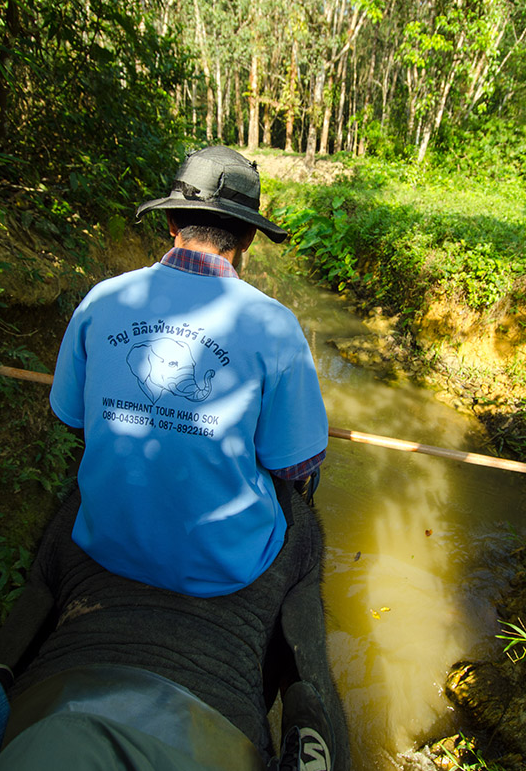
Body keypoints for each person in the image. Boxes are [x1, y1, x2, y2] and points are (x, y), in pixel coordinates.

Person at [48, 145, 328, 598]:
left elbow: (71, 416)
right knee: (305, 513)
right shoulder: (274, 325)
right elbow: (293, 462)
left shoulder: (102, 299)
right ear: (248, 238)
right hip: (224, 567)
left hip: (104, 544)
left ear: (171, 222)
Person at [0, 486, 351, 771]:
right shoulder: (291, 523)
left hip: (41, 744)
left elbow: (30, 617)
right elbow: (308, 667)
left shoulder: (84, 499)